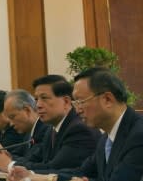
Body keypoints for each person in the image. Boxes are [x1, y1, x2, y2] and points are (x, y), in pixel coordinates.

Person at [9, 67, 143, 181]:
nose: (77, 109)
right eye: (76, 103)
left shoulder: (138, 134)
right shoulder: (106, 138)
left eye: (81, 101)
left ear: (107, 99)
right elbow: (80, 171)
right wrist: (31, 175)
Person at [0, 75, 98, 173]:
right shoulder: (50, 129)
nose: (38, 105)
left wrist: (10, 165)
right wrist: (9, 158)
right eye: (37, 99)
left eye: (44, 98)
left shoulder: (79, 129)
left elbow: (54, 168)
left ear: (66, 101)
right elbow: (37, 161)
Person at [0, 89, 49, 159]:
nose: (11, 124)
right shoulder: (28, 132)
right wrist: (3, 156)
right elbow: (17, 154)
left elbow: (32, 159)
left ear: (27, 110)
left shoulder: (46, 129)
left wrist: (8, 160)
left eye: (12, 117)